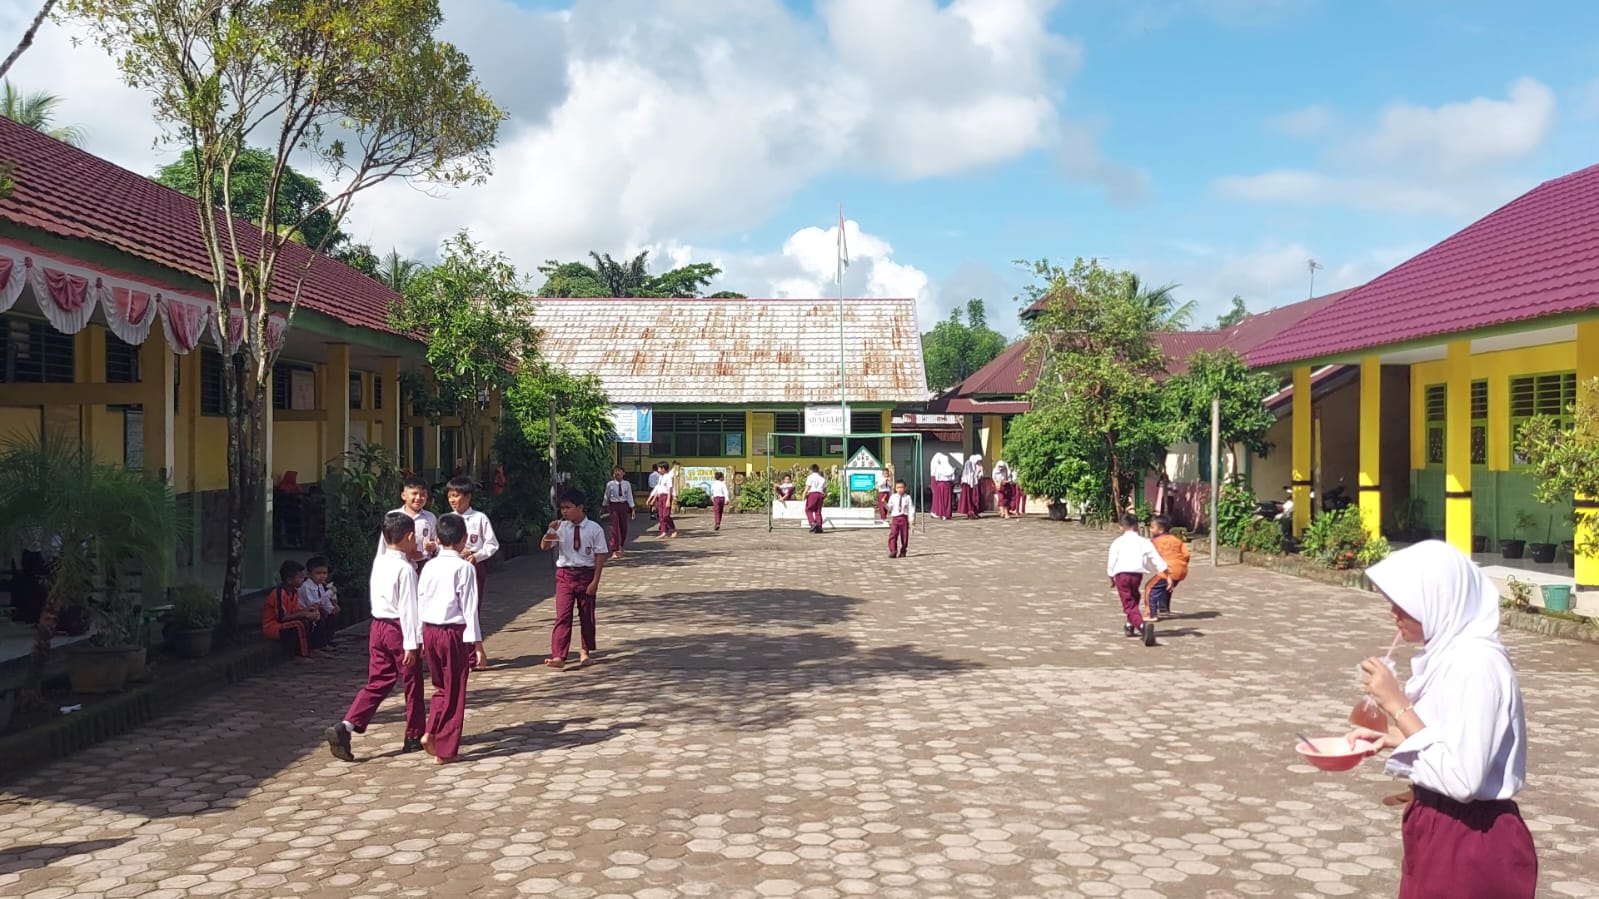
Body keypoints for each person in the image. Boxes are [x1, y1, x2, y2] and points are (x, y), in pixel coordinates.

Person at [1346, 541, 1536, 899]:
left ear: (1438, 600)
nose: (1393, 612)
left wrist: (1397, 704)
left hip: (1470, 841)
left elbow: (1463, 778)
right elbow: (1450, 737)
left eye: (1405, 603)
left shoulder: (1477, 665)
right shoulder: (1449, 656)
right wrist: (1395, 736)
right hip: (1437, 828)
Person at [325, 512, 425, 761]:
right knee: (412, 682)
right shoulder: (405, 570)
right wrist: (413, 643)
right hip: (398, 628)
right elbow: (409, 609)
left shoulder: (380, 561)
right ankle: (414, 735)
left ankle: (347, 725)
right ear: (409, 536)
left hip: (377, 626)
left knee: (378, 680)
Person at [416, 512, 484, 764]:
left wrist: (418, 637)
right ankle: (444, 749)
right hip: (453, 632)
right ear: (464, 539)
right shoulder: (464, 568)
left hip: (429, 630)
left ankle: (431, 731)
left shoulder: (429, 566)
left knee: (440, 687)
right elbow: (469, 608)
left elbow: (420, 600)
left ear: (437, 538)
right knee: (455, 690)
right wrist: (477, 645)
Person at [540, 488, 609, 670]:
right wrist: (550, 530)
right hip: (565, 574)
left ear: (580, 507)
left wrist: (595, 581)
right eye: (562, 508)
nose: (564, 512)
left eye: (568, 507)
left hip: (585, 574)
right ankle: (559, 655)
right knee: (563, 615)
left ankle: (585, 651)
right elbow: (544, 547)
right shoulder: (561, 527)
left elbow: (600, 555)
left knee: (586, 615)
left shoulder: (594, 529)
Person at [1107, 513, 1164, 646]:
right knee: (1134, 597)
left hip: (1121, 575)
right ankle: (1129, 624)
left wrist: (1110, 575)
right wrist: (1164, 571)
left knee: (1128, 603)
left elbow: (1112, 560)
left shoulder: (1117, 542)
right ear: (1137, 526)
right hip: (1136, 575)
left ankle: (1142, 627)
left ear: (1121, 527)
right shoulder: (1144, 542)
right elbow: (1155, 558)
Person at [446, 476, 499, 601]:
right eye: (449, 496)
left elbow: (492, 544)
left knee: (473, 601)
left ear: (468, 497)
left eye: (456, 496)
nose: (452, 500)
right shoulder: (447, 519)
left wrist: (476, 556)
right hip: (451, 564)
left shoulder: (479, 518)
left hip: (474, 564)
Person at [262, 560, 320, 660]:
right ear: (289, 580)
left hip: (285, 622)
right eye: (300, 577)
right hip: (274, 627)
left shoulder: (294, 591)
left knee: (310, 618)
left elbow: (295, 611)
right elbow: (281, 617)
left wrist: (307, 611)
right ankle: (301, 655)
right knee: (299, 625)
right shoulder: (279, 593)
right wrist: (304, 614)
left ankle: (313, 648)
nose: (303, 579)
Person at [376, 476, 438, 570]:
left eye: (422, 495)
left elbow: (436, 540)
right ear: (403, 495)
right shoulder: (393, 516)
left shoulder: (430, 517)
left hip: (423, 565)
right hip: (398, 564)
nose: (418, 498)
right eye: (414, 493)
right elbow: (384, 543)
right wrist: (380, 564)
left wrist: (433, 547)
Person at [1144, 515, 1190, 621]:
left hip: (1168, 570)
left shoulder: (1155, 542)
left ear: (1160, 530)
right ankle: (1164, 609)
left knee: (1150, 588)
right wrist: (1181, 565)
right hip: (1181, 570)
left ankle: (1151, 614)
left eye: (1152, 527)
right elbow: (1186, 554)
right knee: (1166, 588)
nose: (1150, 530)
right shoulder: (1176, 539)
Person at [299, 555, 341, 649]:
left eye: (324, 573)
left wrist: (332, 608)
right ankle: (319, 645)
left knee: (332, 615)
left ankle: (328, 640)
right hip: (306, 611)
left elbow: (325, 603)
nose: (322, 576)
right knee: (319, 616)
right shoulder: (305, 586)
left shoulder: (320, 585)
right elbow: (314, 604)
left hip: (317, 609)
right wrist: (329, 593)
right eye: (318, 573)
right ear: (309, 574)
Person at [603, 467, 636, 558]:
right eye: (615, 472)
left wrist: (632, 508)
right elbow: (607, 495)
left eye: (619, 471)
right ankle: (614, 549)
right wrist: (604, 505)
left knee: (623, 527)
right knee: (614, 528)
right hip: (613, 505)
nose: (617, 473)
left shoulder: (627, 484)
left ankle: (621, 545)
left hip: (623, 505)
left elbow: (629, 496)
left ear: (623, 473)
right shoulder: (610, 484)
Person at [648, 461, 679, 538]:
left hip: (666, 496)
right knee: (661, 515)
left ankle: (673, 529)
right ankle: (663, 531)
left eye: (659, 468)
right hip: (660, 496)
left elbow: (670, 488)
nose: (658, 470)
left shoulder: (668, 477)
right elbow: (657, 488)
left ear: (663, 469)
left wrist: (668, 500)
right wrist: (652, 498)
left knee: (666, 515)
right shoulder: (660, 477)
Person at [886, 479, 913, 558]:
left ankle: (903, 551)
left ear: (905, 488)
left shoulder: (907, 497)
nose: (900, 489)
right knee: (893, 534)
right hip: (895, 518)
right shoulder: (893, 497)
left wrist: (911, 521)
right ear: (895, 488)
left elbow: (910, 509)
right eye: (898, 487)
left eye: (902, 487)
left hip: (904, 517)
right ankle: (893, 550)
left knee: (904, 536)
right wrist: (884, 503)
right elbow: (889, 508)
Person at [957, 453, 984, 519]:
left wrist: (981, 471)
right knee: (968, 499)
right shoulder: (969, 463)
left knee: (974, 498)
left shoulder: (976, 466)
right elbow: (969, 474)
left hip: (973, 484)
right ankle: (970, 512)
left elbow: (978, 476)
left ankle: (974, 512)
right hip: (967, 484)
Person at [930, 452, 956, 520]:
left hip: (940, 485)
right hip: (948, 485)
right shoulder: (950, 468)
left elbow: (937, 478)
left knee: (941, 500)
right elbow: (953, 478)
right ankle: (947, 514)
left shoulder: (939, 468)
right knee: (948, 500)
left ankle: (941, 513)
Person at [803, 464, 827, 534]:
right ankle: (819, 526)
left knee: (808, 509)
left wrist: (804, 494)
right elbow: (825, 489)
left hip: (812, 494)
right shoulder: (822, 479)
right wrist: (824, 496)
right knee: (818, 511)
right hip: (820, 494)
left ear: (811, 470)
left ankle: (812, 523)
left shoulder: (810, 477)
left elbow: (808, 487)